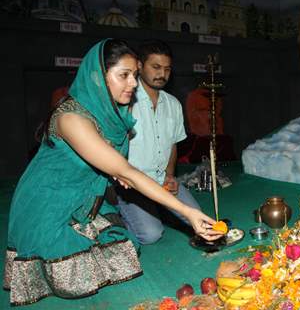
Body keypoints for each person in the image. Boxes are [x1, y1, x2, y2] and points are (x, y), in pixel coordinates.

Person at [3, 39, 221, 306]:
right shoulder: (72, 118)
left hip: (83, 195)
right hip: (48, 201)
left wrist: (119, 170)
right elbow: (125, 169)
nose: (133, 83)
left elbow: (115, 159)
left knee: (122, 253)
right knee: (73, 276)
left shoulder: (111, 110)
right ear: (98, 76)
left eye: (134, 75)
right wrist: (187, 212)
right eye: (124, 75)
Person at [116, 40, 201, 244]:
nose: (162, 74)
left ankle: (157, 209)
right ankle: (117, 214)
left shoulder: (173, 104)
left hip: (163, 180)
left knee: (196, 219)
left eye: (167, 69)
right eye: (155, 67)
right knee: (151, 234)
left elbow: (172, 144)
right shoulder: (125, 101)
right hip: (131, 185)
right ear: (139, 66)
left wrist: (170, 175)